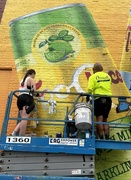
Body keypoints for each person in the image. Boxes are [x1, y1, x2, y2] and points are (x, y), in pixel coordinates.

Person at [11, 69, 46, 136]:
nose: (33, 78)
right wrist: (40, 94)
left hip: (20, 99)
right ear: (32, 74)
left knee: (23, 118)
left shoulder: (22, 80)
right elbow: (33, 91)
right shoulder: (31, 79)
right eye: (33, 76)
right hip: (27, 98)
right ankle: (22, 135)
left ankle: (15, 132)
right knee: (25, 118)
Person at [86, 62, 112, 139]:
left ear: (93, 70)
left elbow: (90, 89)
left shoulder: (93, 77)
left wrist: (88, 96)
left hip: (98, 99)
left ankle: (101, 137)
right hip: (108, 99)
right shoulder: (108, 76)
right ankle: (107, 136)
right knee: (105, 119)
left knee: (99, 119)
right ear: (102, 69)